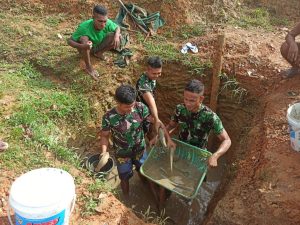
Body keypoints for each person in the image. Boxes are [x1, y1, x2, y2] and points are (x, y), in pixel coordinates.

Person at [100, 84, 176, 196]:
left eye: (132, 105)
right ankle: (126, 198)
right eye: (127, 107)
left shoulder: (140, 107)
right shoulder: (109, 117)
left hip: (140, 150)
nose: (131, 109)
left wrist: (168, 138)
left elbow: (157, 122)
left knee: (145, 172)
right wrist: (104, 151)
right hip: (122, 154)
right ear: (118, 102)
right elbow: (104, 136)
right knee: (124, 177)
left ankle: (148, 189)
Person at [166, 79, 231, 168]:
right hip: (181, 151)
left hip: (199, 155)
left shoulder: (210, 116)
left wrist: (215, 156)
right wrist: (163, 138)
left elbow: (227, 140)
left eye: (192, 101)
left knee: (196, 179)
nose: (187, 103)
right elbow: (171, 126)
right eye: (185, 99)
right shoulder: (180, 109)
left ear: (201, 99)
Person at [68, 5, 121, 80]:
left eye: (105, 21)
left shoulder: (107, 23)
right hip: (86, 48)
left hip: (98, 45)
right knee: (84, 39)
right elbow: (70, 41)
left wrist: (116, 36)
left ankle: (99, 53)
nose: (103, 24)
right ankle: (89, 67)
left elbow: (117, 28)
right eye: (100, 21)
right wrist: (84, 46)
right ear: (93, 18)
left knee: (118, 36)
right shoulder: (84, 27)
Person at [136, 56, 163, 133]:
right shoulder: (143, 83)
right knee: (144, 130)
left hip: (148, 109)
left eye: (159, 73)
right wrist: (157, 119)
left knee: (150, 129)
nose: (157, 76)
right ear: (147, 69)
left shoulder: (152, 77)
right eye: (154, 73)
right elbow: (151, 103)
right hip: (141, 112)